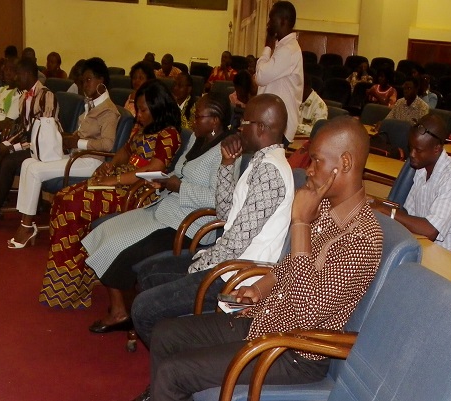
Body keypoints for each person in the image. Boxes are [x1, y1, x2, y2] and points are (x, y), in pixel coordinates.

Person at [137, 116, 383, 401]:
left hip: (293, 350)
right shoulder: (325, 205)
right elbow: (292, 263)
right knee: (166, 334)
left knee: (174, 372)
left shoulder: (362, 238)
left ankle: (165, 391)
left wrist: (301, 223)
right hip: (265, 320)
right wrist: (260, 287)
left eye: (316, 161)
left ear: (346, 163)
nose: (309, 169)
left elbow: (307, 315)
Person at [130, 93, 295, 346]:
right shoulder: (260, 161)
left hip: (236, 276)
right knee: (147, 274)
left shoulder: (270, 172)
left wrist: (199, 266)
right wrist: (227, 165)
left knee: (144, 308)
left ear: (261, 127)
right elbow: (225, 214)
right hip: (226, 261)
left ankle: (177, 358)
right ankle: (170, 350)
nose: (239, 128)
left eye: (244, 122)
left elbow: (237, 241)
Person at [83, 95, 231, 333]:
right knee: (105, 230)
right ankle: (122, 307)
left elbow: (218, 198)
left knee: (118, 244)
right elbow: (180, 171)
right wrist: (163, 181)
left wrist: (179, 187)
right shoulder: (197, 138)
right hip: (166, 208)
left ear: (214, 121)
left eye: (198, 117)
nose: (192, 121)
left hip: (190, 225)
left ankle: (121, 311)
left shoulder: (226, 153)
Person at [38, 79, 182, 309]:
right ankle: (70, 279)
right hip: (120, 181)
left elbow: (153, 169)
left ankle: (74, 283)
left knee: (73, 204)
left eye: (143, 110)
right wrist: (110, 165)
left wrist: (113, 180)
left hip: (138, 191)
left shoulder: (169, 133)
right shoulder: (143, 127)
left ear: (159, 107)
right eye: (138, 110)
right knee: (63, 197)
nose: (138, 115)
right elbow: (125, 151)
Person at [7, 57, 120, 249]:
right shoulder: (90, 104)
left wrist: (77, 142)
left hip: (92, 162)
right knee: (28, 163)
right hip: (77, 156)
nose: (85, 85)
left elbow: (108, 145)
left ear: (101, 80)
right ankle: (25, 222)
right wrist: (69, 138)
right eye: (83, 81)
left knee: (34, 170)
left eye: (89, 80)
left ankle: (26, 227)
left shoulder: (108, 110)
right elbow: (82, 134)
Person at [0, 58, 58, 231]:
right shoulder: (24, 96)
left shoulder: (46, 96)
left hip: (44, 148)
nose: (14, 77)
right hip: (30, 143)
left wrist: (12, 147)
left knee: (8, 161)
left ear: (27, 74)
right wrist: (6, 145)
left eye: (17, 74)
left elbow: (42, 135)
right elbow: (22, 128)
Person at [369, 113, 451, 255]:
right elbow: (408, 213)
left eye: (418, 150)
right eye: (410, 147)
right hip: (423, 244)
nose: (411, 154)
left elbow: (431, 230)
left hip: (448, 255)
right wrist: (377, 203)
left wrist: (386, 211)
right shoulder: (422, 168)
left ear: (436, 149)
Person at [255, 0, 304, 144]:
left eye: (271, 18)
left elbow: (261, 77)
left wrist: (267, 46)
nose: (268, 23)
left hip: (279, 126)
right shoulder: (282, 47)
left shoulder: (288, 50)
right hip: (271, 121)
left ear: (283, 21)